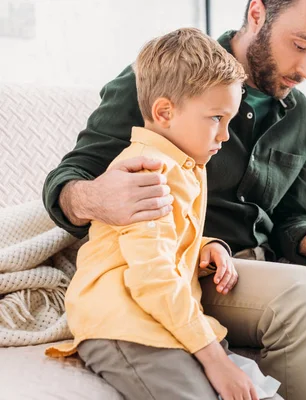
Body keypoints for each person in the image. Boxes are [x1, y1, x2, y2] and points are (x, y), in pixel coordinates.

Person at [43, 1, 306, 399]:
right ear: (257, 14)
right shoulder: (167, 78)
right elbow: (68, 179)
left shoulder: (299, 115)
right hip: (199, 272)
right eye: (301, 45)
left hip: (270, 262)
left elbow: (291, 219)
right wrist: (95, 197)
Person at [45, 28, 276, 400]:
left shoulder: (185, 167)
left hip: (157, 320)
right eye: (217, 118)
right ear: (164, 112)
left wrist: (204, 246)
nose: (225, 137)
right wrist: (214, 358)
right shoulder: (146, 173)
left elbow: (163, 238)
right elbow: (151, 277)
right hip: (123, 325)